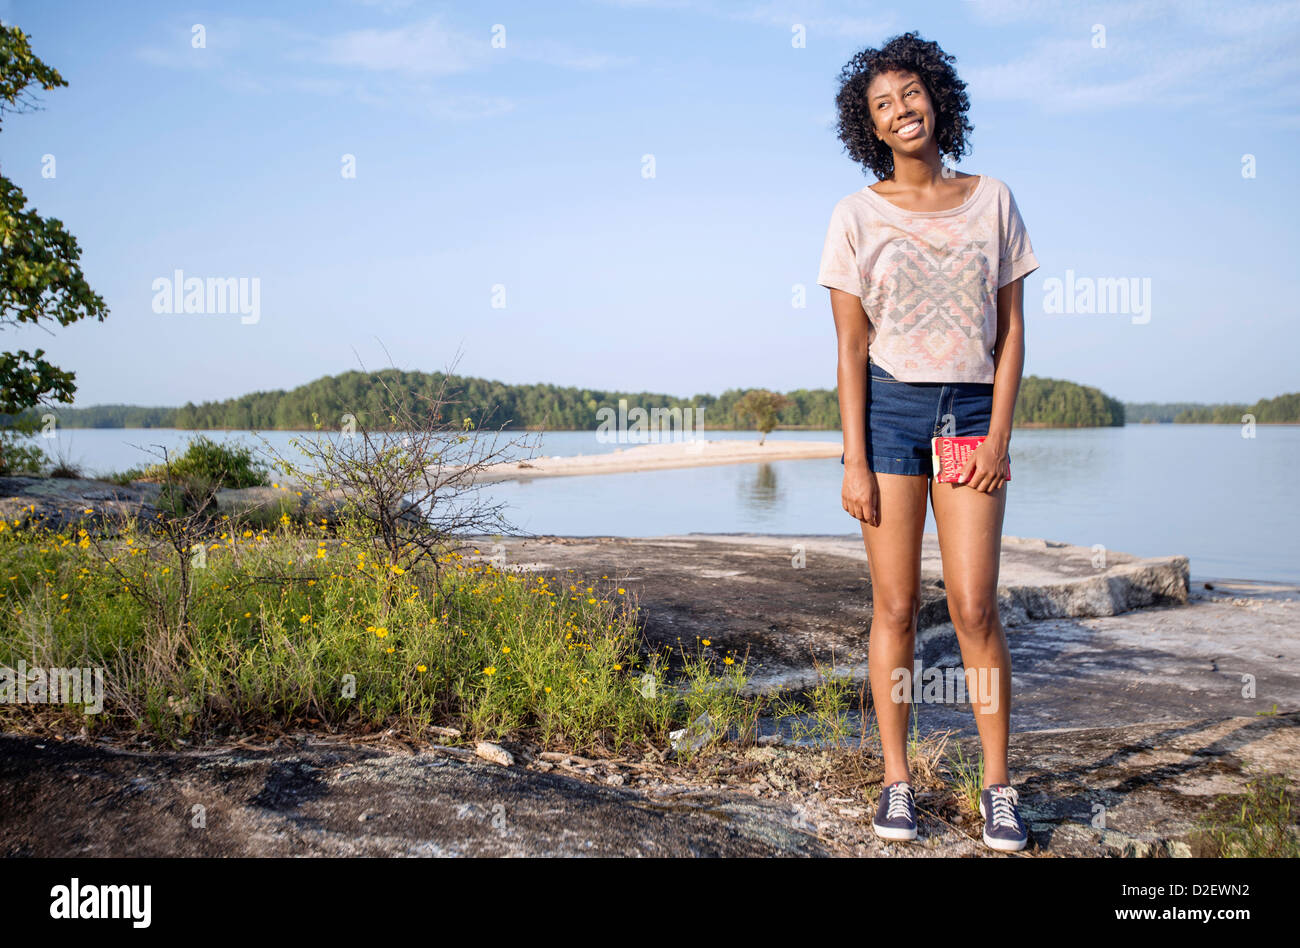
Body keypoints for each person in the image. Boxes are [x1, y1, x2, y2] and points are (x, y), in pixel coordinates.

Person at [816, 32, 1039, 853]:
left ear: (938, 99)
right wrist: (854, 458)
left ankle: (997, 790)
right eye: (883, 104)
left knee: (977, 607)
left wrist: (998, 433)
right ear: (869, 127)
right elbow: (847, 347)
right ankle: (897, 784)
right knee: (897, 608)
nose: (902, 110)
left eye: (911, 93)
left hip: (971, 413)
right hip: (889, 414)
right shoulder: (854, 215)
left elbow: (1012, 332)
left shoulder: (994, 199)